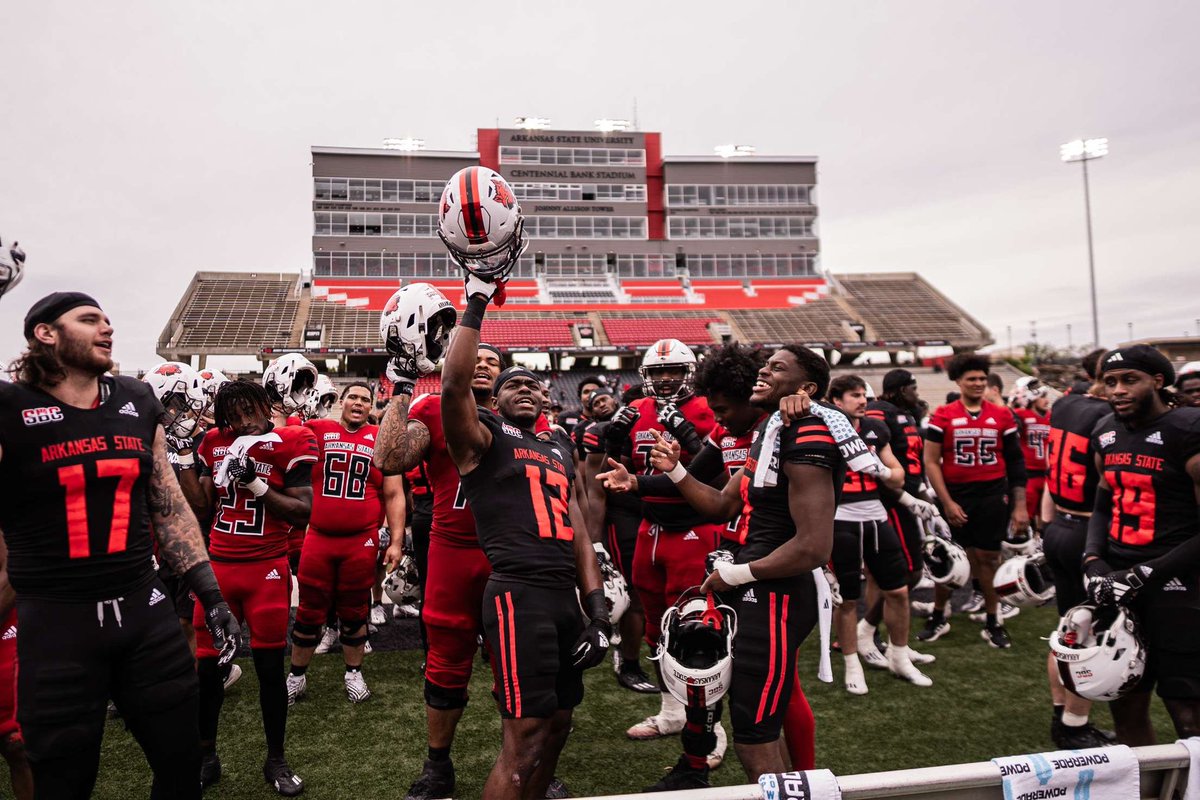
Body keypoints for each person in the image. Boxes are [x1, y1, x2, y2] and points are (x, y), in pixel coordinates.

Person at [0, 292, 240, 798]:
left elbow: (167, 505)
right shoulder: (10, 407)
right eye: (89, 320)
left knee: (181, 767)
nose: (106, 327)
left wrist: (209, 592)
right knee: (63, 781)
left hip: (144, 612)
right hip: (56, 623)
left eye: (108, 319)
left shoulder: (136, 401)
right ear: (46, 333)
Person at [438, 164, 610, 800]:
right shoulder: (481, 439)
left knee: (561, 725)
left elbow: (578, 531)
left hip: (564, 594)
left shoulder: (557, 442)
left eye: (533, 382)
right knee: (526, 735)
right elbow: (455, 385)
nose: (525, 386)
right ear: (495, 398)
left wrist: (594, 605)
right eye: (510, 382)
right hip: (517, 596)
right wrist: (477, 297)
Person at [601, 345, 848, 787]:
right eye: (764, 364)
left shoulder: (807, 430)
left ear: (805, 388)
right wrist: (665, 474)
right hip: (749, 572)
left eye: (776, 368)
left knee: (756, 723)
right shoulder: (773, 431)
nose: (764, 372)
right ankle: (708, 770)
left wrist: (737, 574)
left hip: (774, 583)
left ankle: (802, 785)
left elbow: (812, 546)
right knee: (721, 684)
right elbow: (720, 503)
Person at [371, 283, 505, 800]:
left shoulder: (524, 418)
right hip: (452, 545)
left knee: (516, 661)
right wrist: (401, 384)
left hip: (509, 551)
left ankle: (525, 755)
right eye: (478, 356)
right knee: (446, 659)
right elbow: (390, 458)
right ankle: (438, 767)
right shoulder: (432, 410)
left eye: (495, 360)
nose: (485, 364)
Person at [182, 379, 317, 795]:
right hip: (219, 568)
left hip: (267, 571)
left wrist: (256, 484)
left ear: (265, 405)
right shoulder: (211, 443)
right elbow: (202, 507)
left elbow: (303, 512)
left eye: (249, 410)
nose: (243, 421)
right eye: (233, 414)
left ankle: (275, 759)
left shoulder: (292, 440)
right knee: (208, 671)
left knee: (269, 671)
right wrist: (183, 457)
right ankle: (206, 756)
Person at [1083, 345, 1200, 744]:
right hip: (1122, 584)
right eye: (1111, 381)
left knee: (1189, 716)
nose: (1116, 390)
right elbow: (1102, 503)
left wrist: (1145, 573)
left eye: (1129, 380)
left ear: (1158, 381)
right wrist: (1094, 560)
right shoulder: (1105, 431)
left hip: (1180, 587)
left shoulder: (1188, 430)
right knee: (1125, 705)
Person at [287, 382, 404, 704]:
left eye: (365, 399)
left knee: (355, 610)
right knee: (309, 611)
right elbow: (284, 436)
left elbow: (394, 494)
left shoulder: (382, 438)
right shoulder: (318, 430)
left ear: (371, 406)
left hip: (360, 540)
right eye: (352, 396)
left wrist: (395, 541)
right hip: (319, 537)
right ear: (341, 401)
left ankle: (353, 673)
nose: (358, 403)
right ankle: (296, 676)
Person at [827, 376, 931, 694]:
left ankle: (899, 656)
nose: (862, 400)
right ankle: (851, 663)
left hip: (875, 514)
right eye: (854, 395)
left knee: (898, 590)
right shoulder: (825, 430)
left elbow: (898, 475)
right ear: (836, 401)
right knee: (847, 599)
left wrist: (882, 470)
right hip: (840, 517)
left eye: (863, 394)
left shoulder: (875, 429)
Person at [921, 353, 1028, 649]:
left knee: (989, 558)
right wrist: (947, 502)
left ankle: (994, 619)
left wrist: (1020, 506)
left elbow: (1016, 462)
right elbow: (931, 462)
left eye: (982, 378)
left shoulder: (1002, 415)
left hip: (992, 494)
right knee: (948, 558)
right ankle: (939, 615)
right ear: (958, 381)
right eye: (972, 379)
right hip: (956, 494)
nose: (979, 383)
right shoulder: (943, 414)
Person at [1040, 348, 1115, 748]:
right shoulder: (1106, 418)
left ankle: (1062, 717)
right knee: (1089, 634)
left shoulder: (1066, 404)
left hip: (1060, 524)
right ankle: (1073, 725)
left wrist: (1046, 524)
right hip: (1089, 531)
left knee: (1066, 630)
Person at [1011, 376, 1052, 528]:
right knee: (1023, 518)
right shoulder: (1020, 415)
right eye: (1043, 397)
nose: (1046, 401)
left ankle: (1040, 544)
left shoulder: (1051, 416)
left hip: (1047, 474)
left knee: (1045, 517)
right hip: (1028, 474)